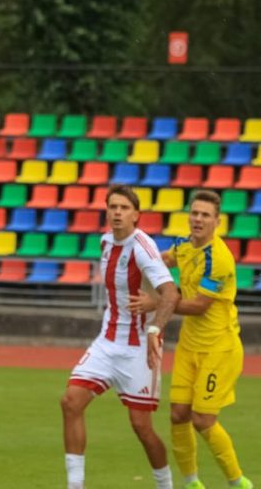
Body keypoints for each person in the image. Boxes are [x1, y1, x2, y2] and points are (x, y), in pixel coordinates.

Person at [131, 190, 253, 489]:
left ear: (217, 221)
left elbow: (199, 306)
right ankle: (191, 483)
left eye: (205, 215)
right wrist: (134, 262)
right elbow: (160, 262)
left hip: (219, 348)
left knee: (202, 419)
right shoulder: (183, 246)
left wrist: (155, 303)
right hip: (189, 344)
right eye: (195, 213)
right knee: (178, 415)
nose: (198, 219)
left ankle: (238, 482)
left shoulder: (219, 259)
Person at [60, 185, 179, 489]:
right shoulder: (105, 242)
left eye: (124, 208)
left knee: (141, 427)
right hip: (107, 342)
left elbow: (170, 293)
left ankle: (165, 485)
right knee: (71, 402)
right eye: (113, 207)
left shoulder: (142, 247)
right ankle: (75, 485)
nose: (117, 212)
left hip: (139, 349)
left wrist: (154, 328)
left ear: (136, 215)